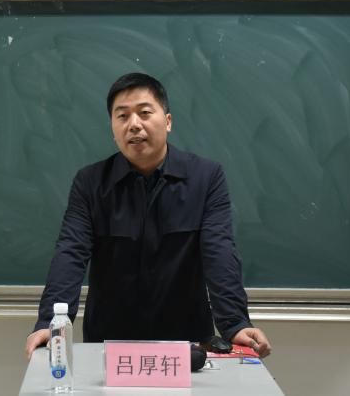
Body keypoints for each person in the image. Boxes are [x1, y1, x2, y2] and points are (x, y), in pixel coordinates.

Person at [24, 72, 271, 359]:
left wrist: (234, 323)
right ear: (113, 128)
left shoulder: (205, 178)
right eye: (122, 116)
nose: (134, 124)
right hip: (110, 342)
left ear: (168, 121)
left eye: (144, 112)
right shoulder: (90, 183)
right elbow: (71, 252)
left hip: (187, 342)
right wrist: (50, 323)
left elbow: (220, 251)